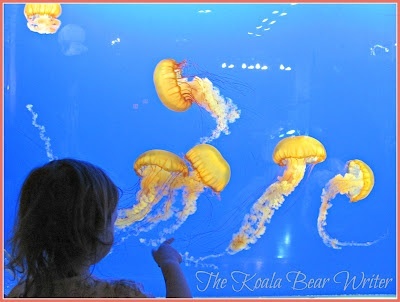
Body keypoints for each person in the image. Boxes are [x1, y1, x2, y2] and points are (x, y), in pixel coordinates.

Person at [7, 158, 192, 298]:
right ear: (94, 233)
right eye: (111, 219)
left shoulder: (22, 293)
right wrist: (169, 263)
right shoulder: (118, 295)